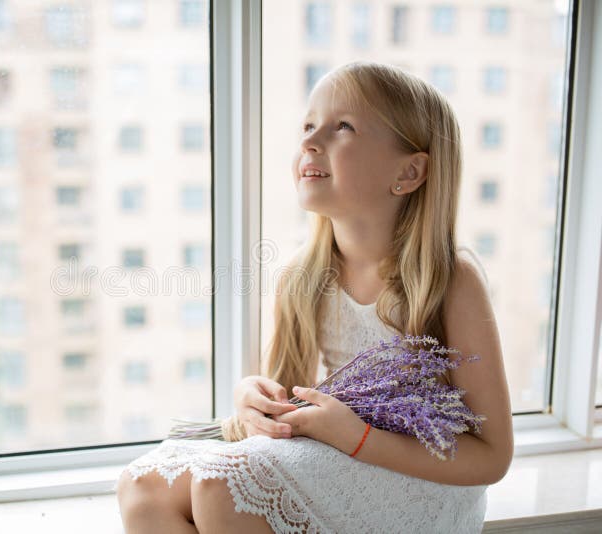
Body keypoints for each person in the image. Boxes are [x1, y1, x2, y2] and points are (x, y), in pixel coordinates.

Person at [114, 60, 514, 533]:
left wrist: (357, 437)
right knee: (141, 485)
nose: (309, 141)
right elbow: (289, 414)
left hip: (424, 485)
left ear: (409, 171)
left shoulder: (449, 280)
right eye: (308, 125)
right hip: (340, 460)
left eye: (342, 126)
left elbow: (491, 457)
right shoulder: (302, 278)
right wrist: (253, 404)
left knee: (220, 487)